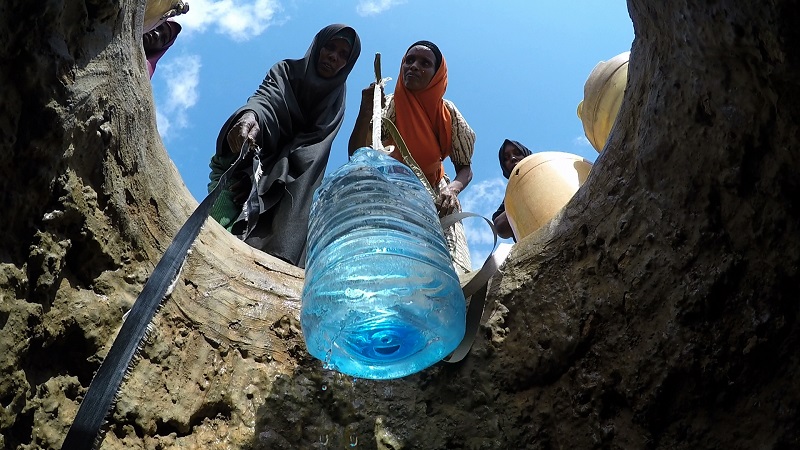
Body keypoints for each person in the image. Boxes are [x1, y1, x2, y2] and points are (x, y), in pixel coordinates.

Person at [207, 24, 361, 268]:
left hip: (292, 188)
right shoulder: (286, 71)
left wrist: (261, 185)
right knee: (209, 238)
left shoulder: (335, 105)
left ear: (348, 64)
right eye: (330, 47)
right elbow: (266, 100)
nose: (334, 56)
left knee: (275, 263)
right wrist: (251, 117)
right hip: (246, 166)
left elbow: (311, 152)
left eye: (343, 54)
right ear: (318, 46)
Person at [348, 41, 475, 274]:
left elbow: (465, 169)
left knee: (450, 271)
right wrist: (366, 109)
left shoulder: (447, 114)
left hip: (436, 200)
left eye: (424, 63)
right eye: (409, 60)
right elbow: (357, 154)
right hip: (388, 195)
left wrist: (452, 190)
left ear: (437, 75)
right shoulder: (386, 105)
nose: (414, 67)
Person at [492, 139, 533, 240]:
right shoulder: (511, 196)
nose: (513, 158)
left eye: (517, 153)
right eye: (506, 158)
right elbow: (501, 227)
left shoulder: (551, 171)